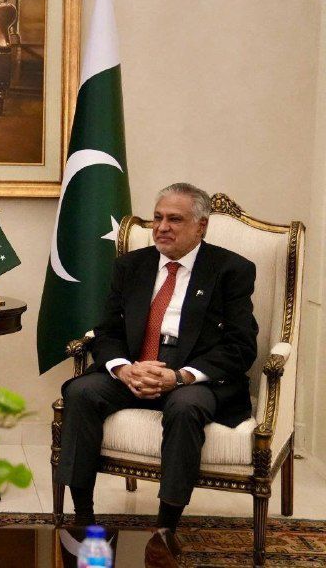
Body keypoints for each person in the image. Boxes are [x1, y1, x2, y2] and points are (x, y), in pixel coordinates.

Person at [56, 183, 258, 564]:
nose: (162, 227)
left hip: (192, 376)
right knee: (81, 392)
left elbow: (240, 347)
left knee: (185, 408)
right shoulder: (131, 266)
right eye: (158, 218)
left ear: (201, 226)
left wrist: (180, 377)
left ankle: (165, 530)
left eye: (175, 219)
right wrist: (124, 370)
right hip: (137, 367)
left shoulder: (231, 270)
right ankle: (83, 517)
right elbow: (106, 332)